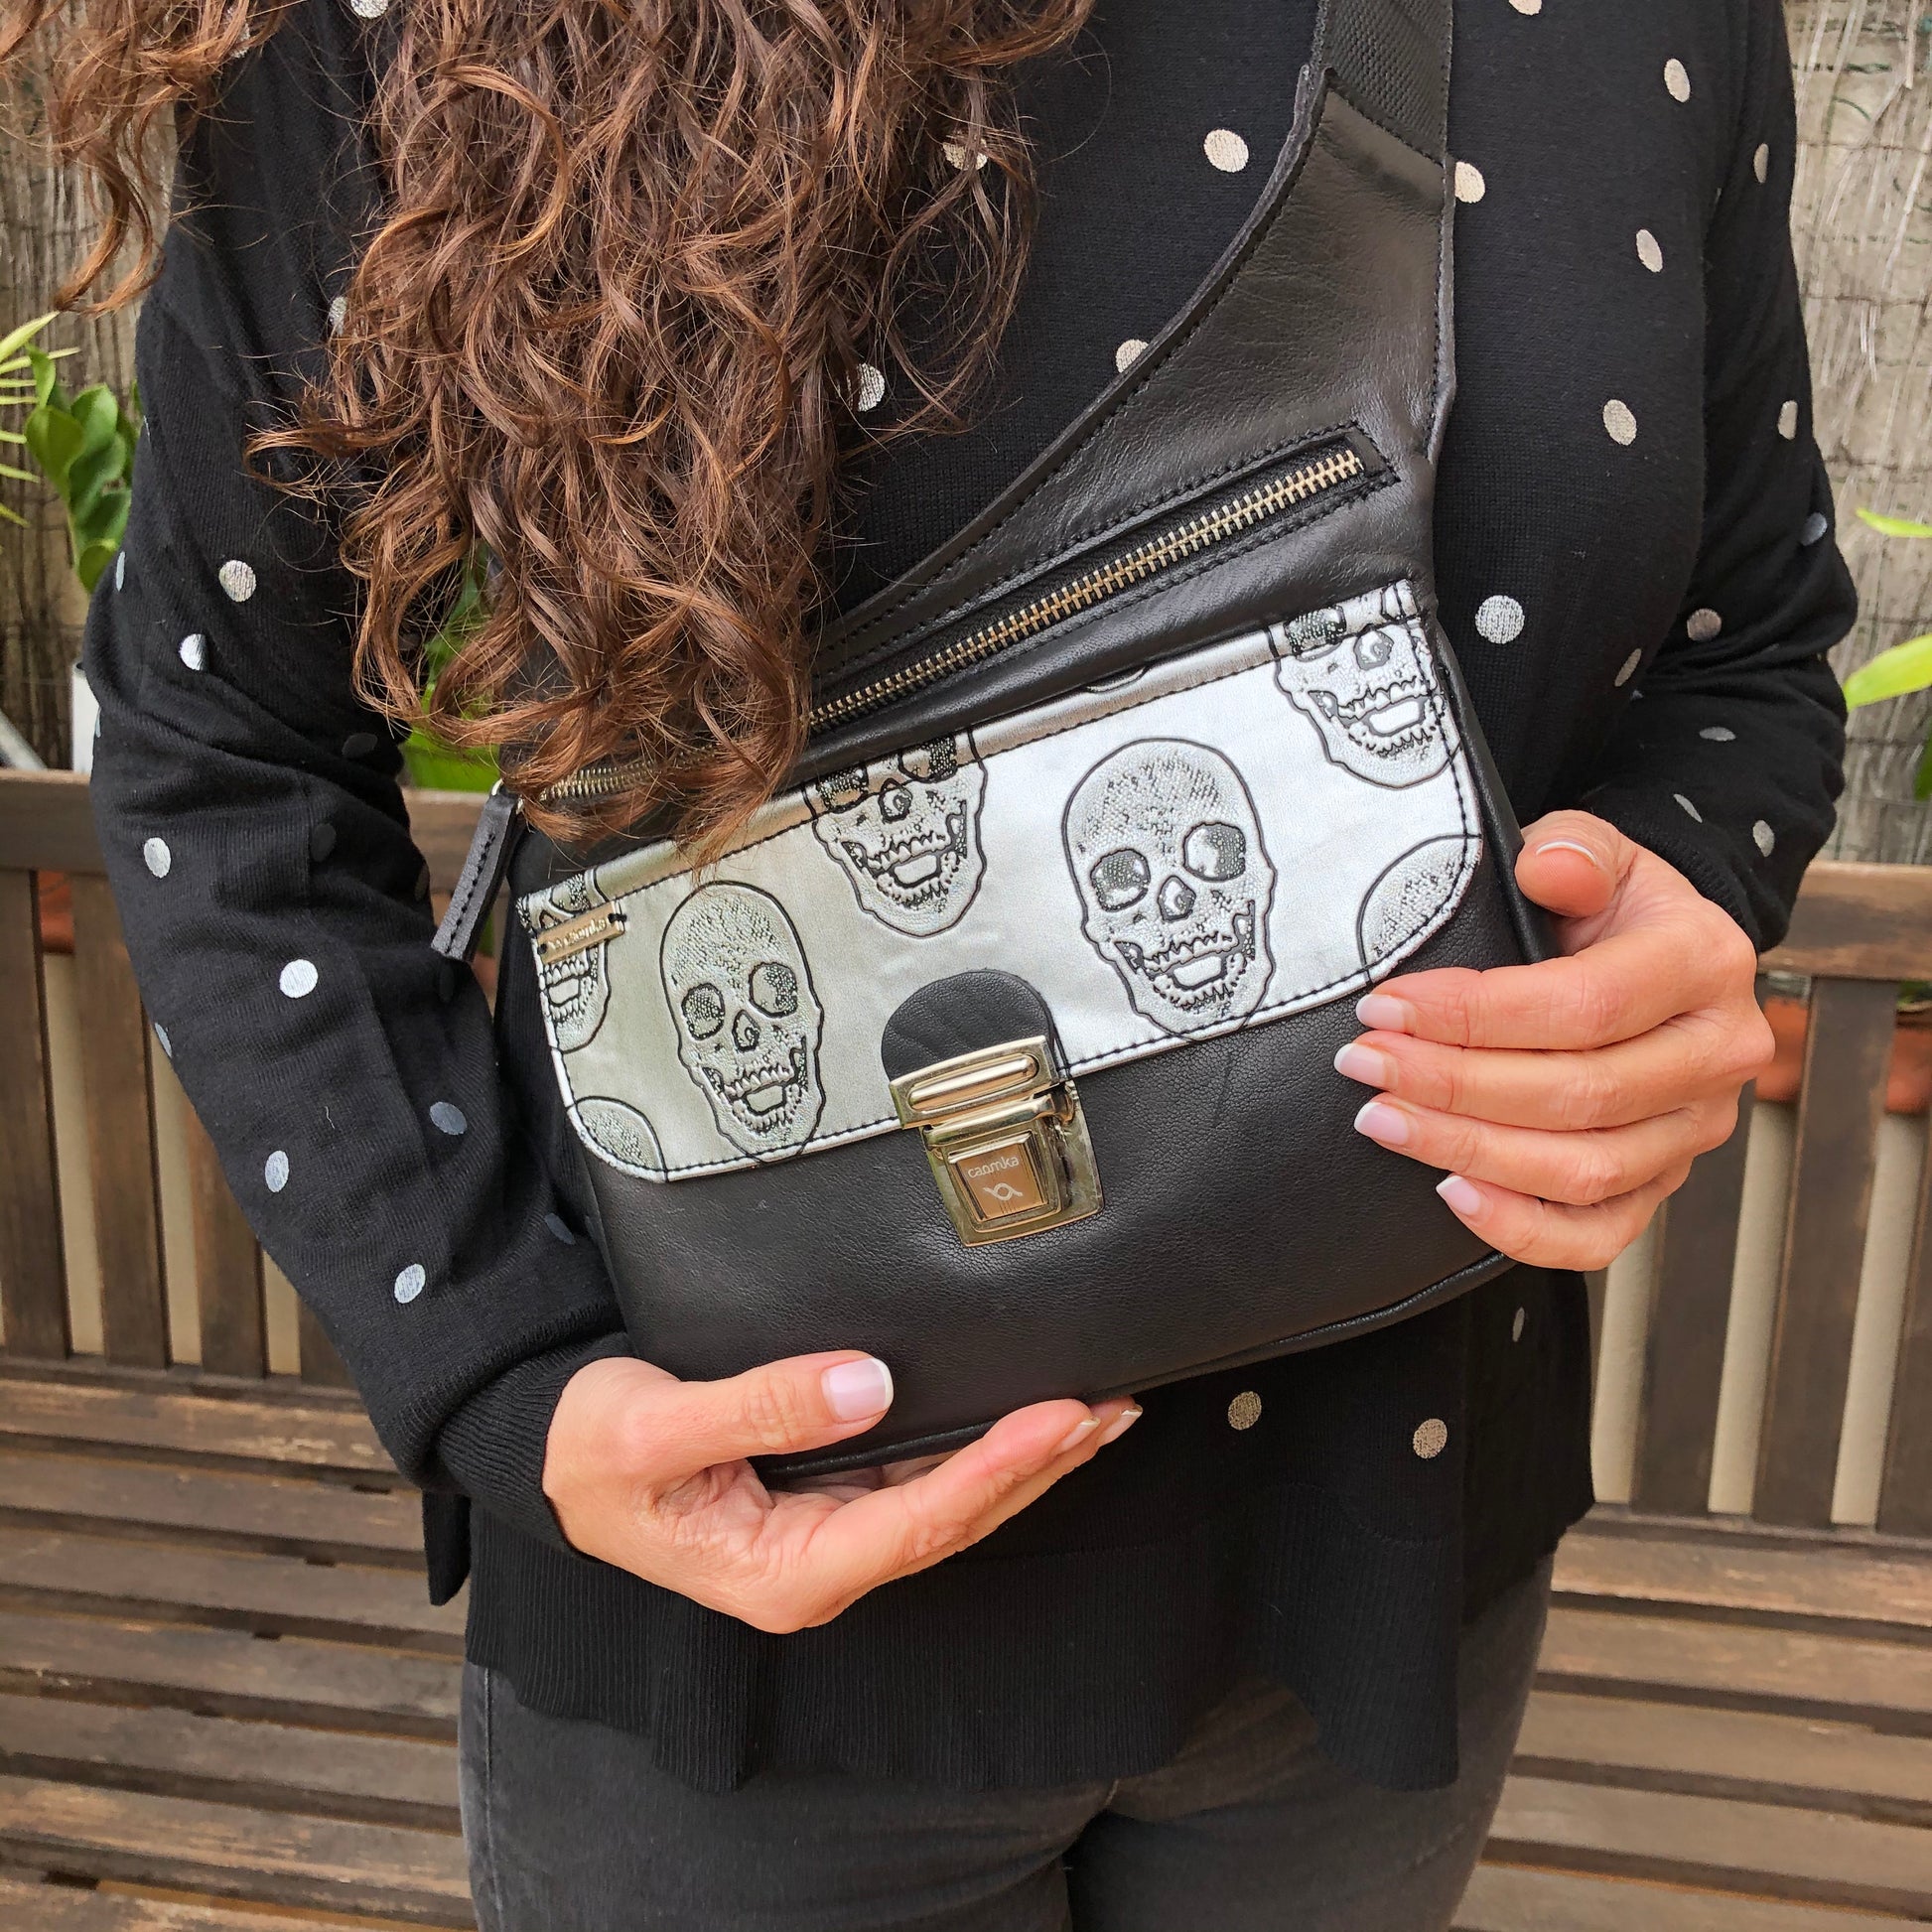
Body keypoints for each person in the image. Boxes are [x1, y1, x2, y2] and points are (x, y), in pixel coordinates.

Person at [19, 0, 1847, 1922]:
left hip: (1392, 1564)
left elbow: (1747, 646)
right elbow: (225, 754)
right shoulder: (408, 29)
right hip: (726, 1629)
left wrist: (1673, 900)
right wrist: (497, 1370)